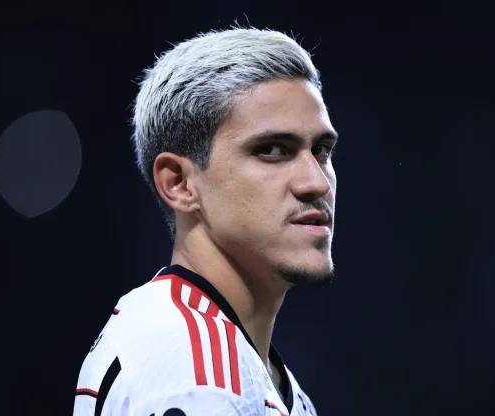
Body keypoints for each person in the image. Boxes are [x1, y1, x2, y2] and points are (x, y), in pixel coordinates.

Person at [73, 26, 337, 416]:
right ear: (179, 183)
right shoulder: (193, 368)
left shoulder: (229, 360)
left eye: (322, 150)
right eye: (273, 150)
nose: (315, 181)